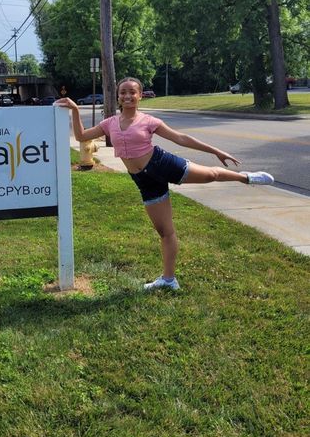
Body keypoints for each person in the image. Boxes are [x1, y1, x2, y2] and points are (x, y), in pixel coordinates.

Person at [55, 77, 274, 291]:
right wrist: (75, 110)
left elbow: (180, 138)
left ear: (140, 96)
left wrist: (215, 151)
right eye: (123, 92)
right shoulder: (109, 123)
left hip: (162, 163)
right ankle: (169, 280)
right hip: (144, 180)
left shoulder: (149, 121)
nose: (128, 95)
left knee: (211, 175)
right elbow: (82, 136)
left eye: (132, 92)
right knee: (165, 232)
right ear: (118, 97)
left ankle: (247, 178)